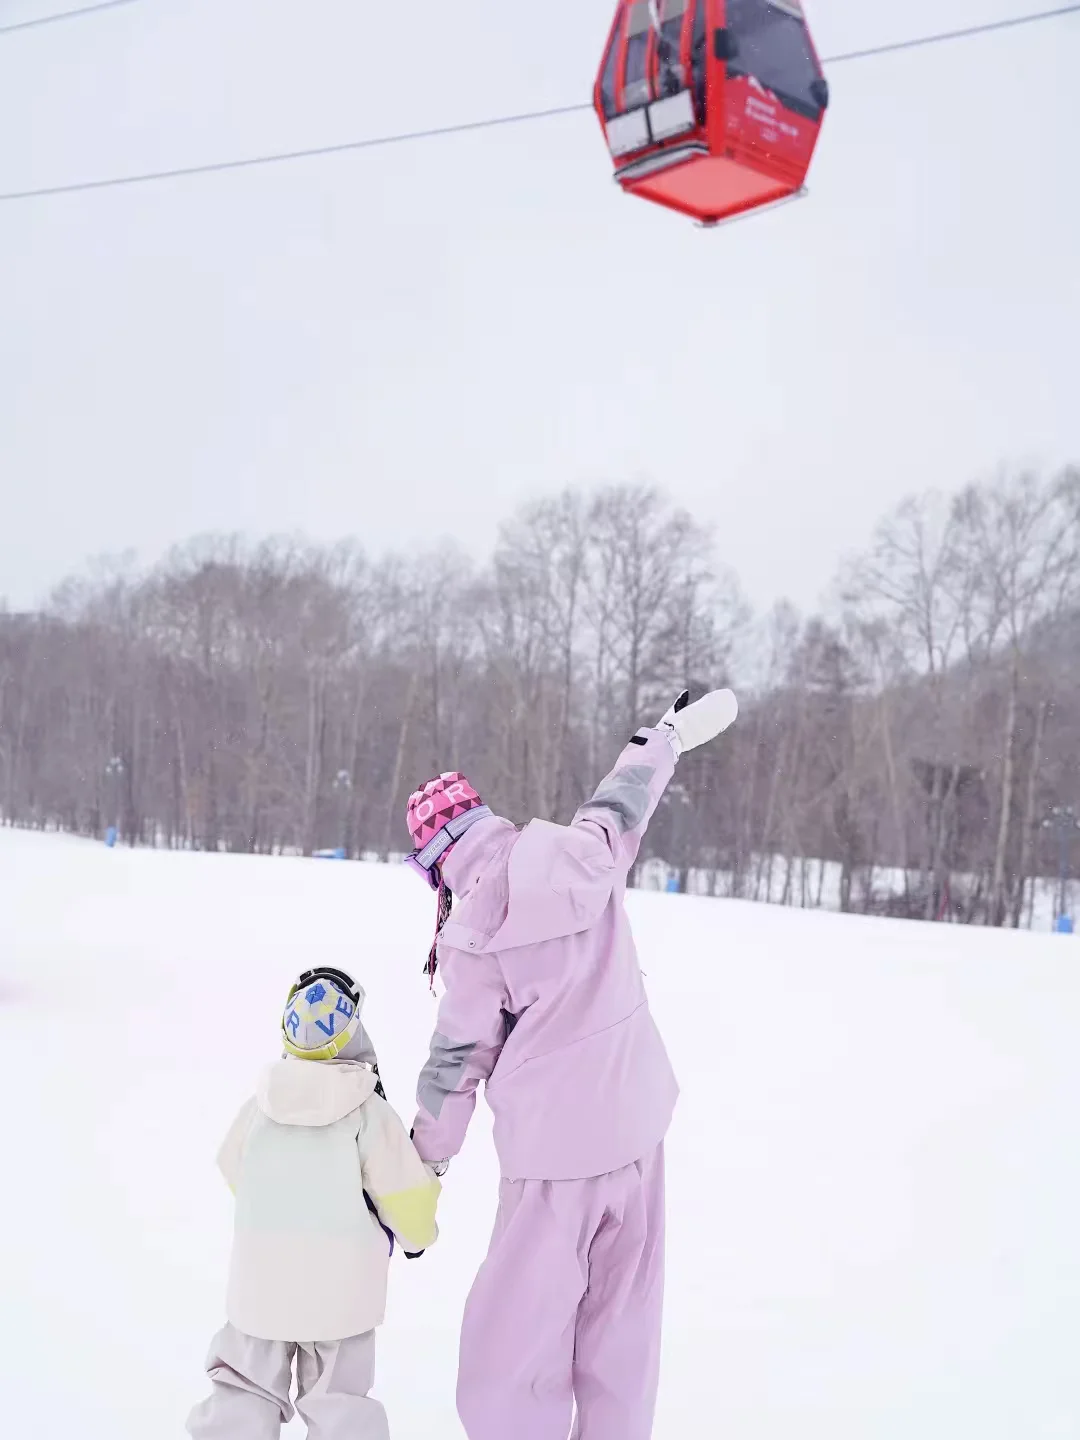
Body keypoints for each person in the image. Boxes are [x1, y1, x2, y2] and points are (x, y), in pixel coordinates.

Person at [403, 689, 738, 1440]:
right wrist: (667, 735)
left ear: (438, 861)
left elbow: (456, 1062)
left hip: (553, 1166)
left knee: (514, 1348)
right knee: (623, 1334)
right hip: (639, 1137)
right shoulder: (583, 850)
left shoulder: (473, 935)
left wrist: (418, 1163)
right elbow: (626, 796)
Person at [187, 966, 441, 1440]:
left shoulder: (262, 1103)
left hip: (259, 1288)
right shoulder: (368, 1112)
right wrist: (416, 1236)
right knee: (338, 1402)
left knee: (243, 1390)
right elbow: (406, 1200)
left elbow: (232, 1166)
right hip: (342, 1297)